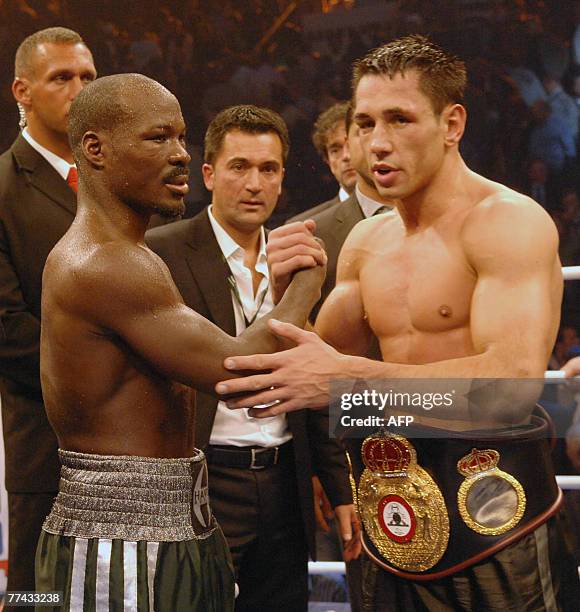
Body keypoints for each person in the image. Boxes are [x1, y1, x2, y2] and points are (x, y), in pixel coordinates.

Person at [216, 35, 580, 610]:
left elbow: (510, 387)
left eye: (400, 120)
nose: (377, 143)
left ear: (451, 123)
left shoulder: (507, 223)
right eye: (364, 123)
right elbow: (306, 365)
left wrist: (348, 384)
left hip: (492, 527)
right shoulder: (365, 241)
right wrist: (289, 296)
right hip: (389, 527)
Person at [36, 74, 325, 611]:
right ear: (95, 149)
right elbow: (234, 370)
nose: (180, 156)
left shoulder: (128, 255)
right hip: (119, 542)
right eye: (157, 138)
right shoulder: (106, 262)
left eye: (181, 138)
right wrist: (306, 284)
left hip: (169, 523)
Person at [146, 104, 358, 612]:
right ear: (209, 173)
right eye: (239, 167)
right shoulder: (162, 251)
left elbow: (316, 373)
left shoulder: (301, 255)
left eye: (269, 169)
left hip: (285, 479)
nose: (254, 183)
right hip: (202, 477)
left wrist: (339, 485)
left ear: (283, 178)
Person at [0, 27, 96, 597]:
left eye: (88, 77)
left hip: (137, 450)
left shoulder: (121, 182)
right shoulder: (3, 188)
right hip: (46, 442)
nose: (80, 90)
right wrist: (99, 373)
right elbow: (4, 328)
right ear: (23, 91)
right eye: (62, 78)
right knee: (39, 597)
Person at [293, 102, 357, 221]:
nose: (346, 156)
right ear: (327, 161)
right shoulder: (306, 227)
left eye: (351, 145)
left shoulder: (398, 211)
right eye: (335, 150)